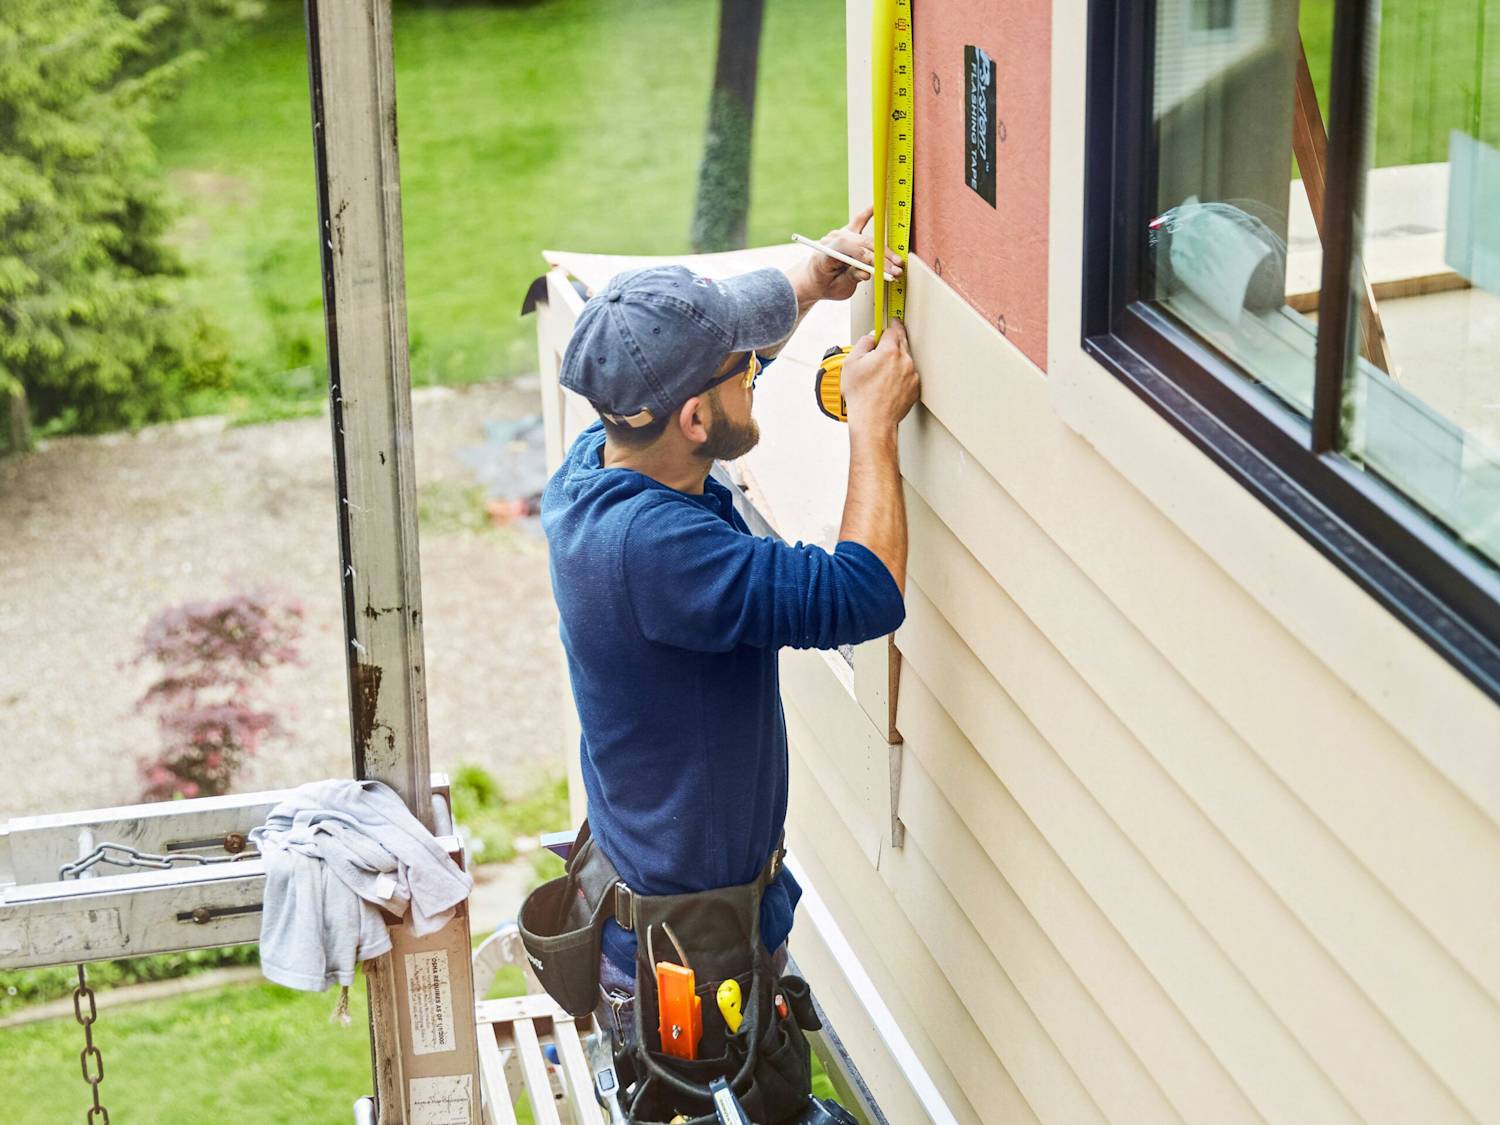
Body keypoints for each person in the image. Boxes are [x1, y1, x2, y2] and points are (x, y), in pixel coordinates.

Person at [540, 208, 920, 1042]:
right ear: (693, 421)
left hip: (674, 917)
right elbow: (862, 593)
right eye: (742, 366)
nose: (759, 365)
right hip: (687, 964)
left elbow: (706, 377)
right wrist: (873, 426)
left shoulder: (598, 463)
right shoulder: (659, 554)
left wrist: (809, 284)